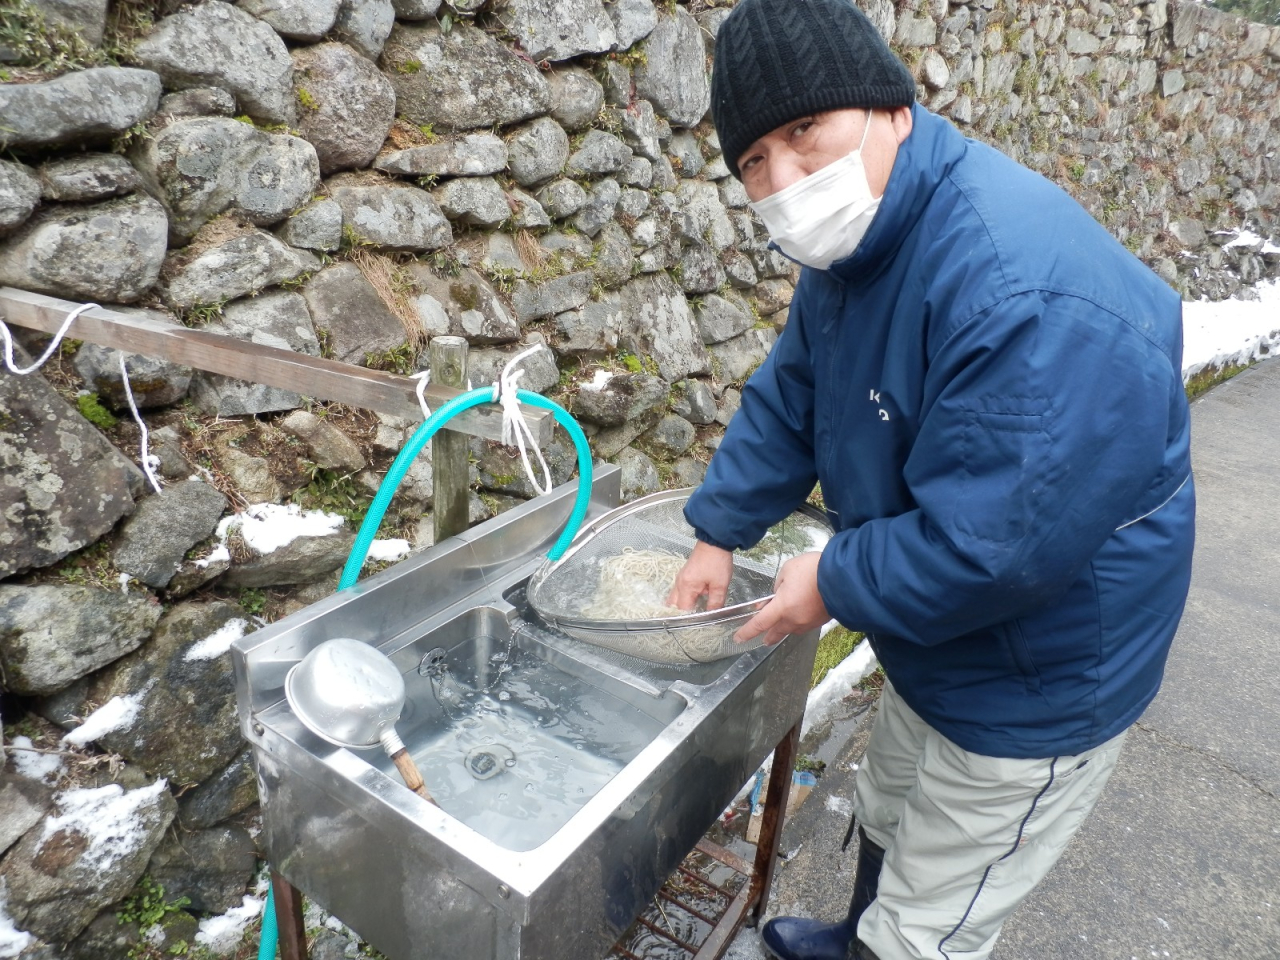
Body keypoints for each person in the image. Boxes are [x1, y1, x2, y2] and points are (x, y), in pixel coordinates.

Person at [667, 1, 1196, 959]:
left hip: (1043, 664)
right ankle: (850, 934)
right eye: (754, 163)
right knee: (892, 796)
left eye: (804, 132)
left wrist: (830, 582)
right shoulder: (859, 247)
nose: (786, 181)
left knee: (938, 911)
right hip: (943, 624)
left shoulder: (1014, 286)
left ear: (891, 108)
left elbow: (998, 542)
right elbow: (795, 396)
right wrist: (718, 531)